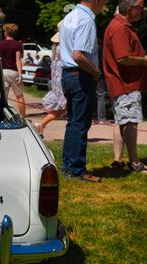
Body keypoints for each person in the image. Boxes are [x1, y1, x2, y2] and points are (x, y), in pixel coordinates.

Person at [60, 0, 107, 183]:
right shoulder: (86, 20)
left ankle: (68, 166)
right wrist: (96, 73)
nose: (105, 3)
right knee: (80, 124)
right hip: (80, 76)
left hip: (68, 75)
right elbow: (78, 55)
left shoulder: (70, 16)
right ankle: (76, 169)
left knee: (73, 122)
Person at [103, 0, 147, 173]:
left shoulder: (121, 25)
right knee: (130, 122)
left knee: (121, 121)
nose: (143, 11)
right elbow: (123, 58)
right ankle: (135, 162)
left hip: (122, 84)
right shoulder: (120, 28)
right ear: (130, 9)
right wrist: (144, 60)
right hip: (125, 83)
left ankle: (118, 160)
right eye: (140, 8)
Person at [34, 21, 67, 136]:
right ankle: (42, 124)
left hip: (57, 78)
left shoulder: (55, 45)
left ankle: (42, 124)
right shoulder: (63, 45)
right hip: (62, 77)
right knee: (64, 107)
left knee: (63, 107)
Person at [0, 23, 26, 116]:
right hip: (14, 73)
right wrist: (20, 74)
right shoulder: (18, 44)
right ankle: (23, 117)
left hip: (3, 73)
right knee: (19, 96)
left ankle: (1, 116)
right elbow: (18, 60)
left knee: (3, 97)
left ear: (6, 32)